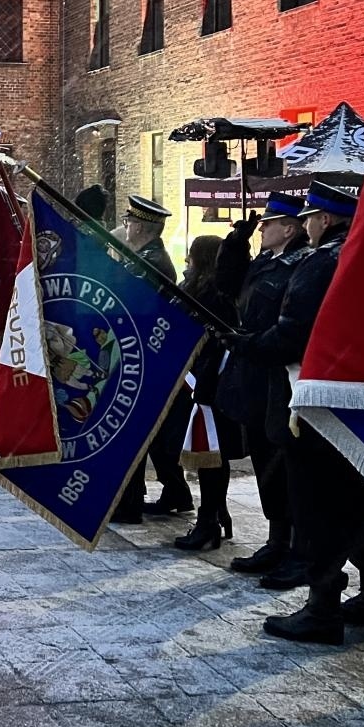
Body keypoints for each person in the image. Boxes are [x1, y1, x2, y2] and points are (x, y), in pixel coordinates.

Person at [242, 181, 364, 646]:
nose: (305, 224)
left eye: (309, 217)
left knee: (318, 509)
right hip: (354, 402)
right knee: (355, 501)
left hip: (312, 408)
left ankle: (323, 605)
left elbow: (291, 336)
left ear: (325, 219)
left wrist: (245, 344)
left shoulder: (320, 263)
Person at [213, 194, 311, 581]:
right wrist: (236, 241)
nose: (262, 227)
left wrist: (253, 343)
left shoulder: (299, 265)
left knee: (281, 466)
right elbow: (228, 285)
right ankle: (276, 539)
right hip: (253, 371)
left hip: (277, 376)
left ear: (289, 228)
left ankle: (293, 545)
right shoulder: (265, 262)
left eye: (269, 223)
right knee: (263, 462)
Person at [113, 195, 191, 523]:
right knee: (150, 435)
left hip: (144, 356)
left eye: (130, 221)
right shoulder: (144, 256)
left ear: (142, 228)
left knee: (136, 430)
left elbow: (132, 307)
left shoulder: (152, 263)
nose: (125, 225)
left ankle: (128, 502)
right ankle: (171, 493)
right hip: (140, 354)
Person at [170, 234, 240, 550]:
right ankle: (214, 513)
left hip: (208, 379)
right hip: (198, 378)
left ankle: (208, 520)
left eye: (191, 255)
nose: (186, 260)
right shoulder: (193, 288)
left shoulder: (214, 294)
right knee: (211, 453)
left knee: (212, 453)